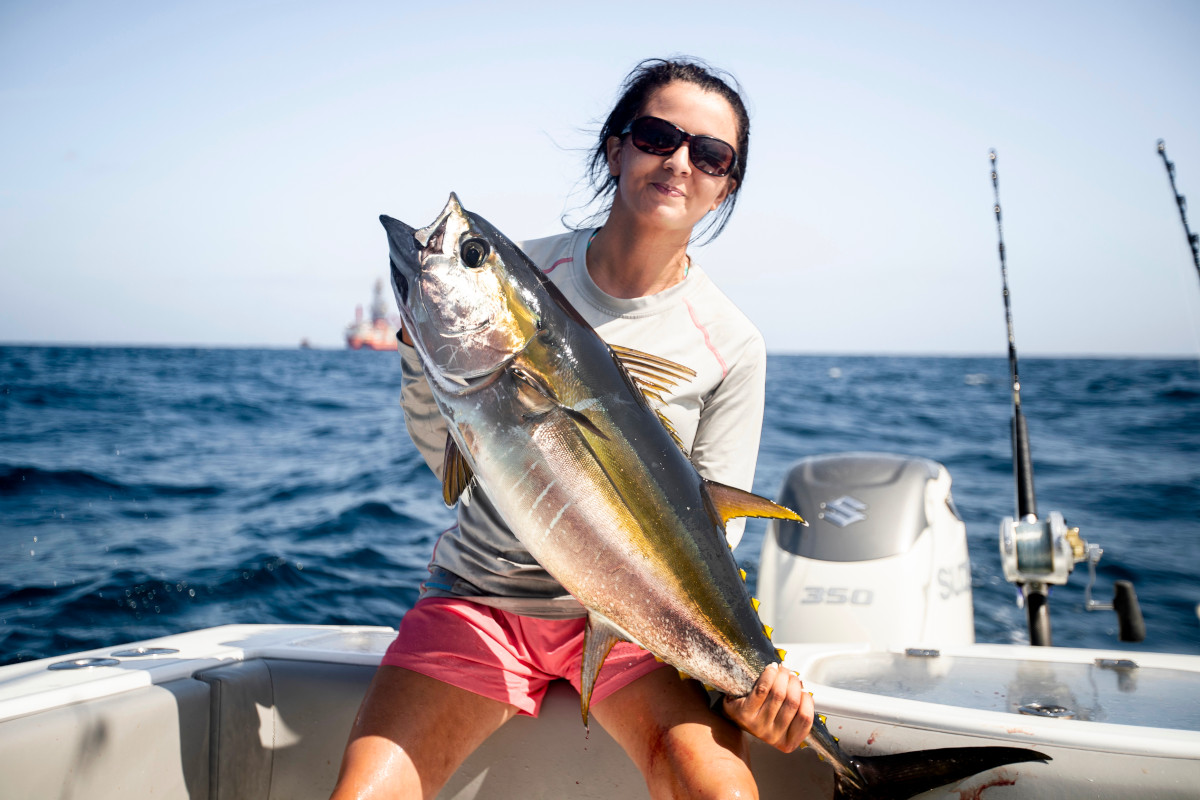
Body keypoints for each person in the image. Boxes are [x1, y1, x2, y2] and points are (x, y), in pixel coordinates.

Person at [331, 57, 814, 800]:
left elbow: (713, 540)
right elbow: (447, 462)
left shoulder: (731, 342)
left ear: (726, 186)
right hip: (483, 598)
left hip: (640, 633)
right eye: (657, 136)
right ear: (616, 148)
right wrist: (418, 354)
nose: (679, 162)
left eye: (710, 154)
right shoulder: (530, 273)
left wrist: (750, 688)